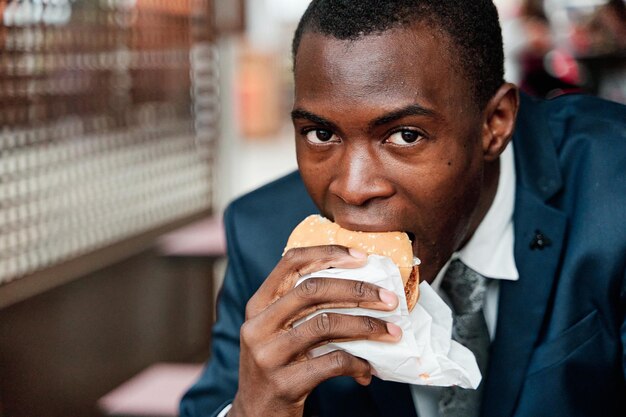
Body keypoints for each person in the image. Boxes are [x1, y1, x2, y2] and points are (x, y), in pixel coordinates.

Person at [180, 1, 626, 416]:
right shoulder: (264, 239)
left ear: (495, 124)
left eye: (406, 135)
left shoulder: (613, 189)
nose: (353, 189)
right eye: (320, 134)